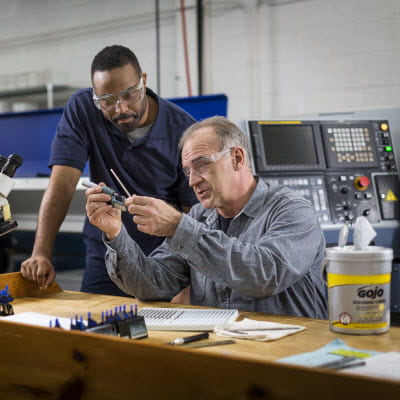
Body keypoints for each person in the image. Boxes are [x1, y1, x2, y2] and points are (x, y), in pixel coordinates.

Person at [85, 116, 327, 318]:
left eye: (201, 165)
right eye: (188, 171)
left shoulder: (292, 211)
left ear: (237, 158)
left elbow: (265, 275)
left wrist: (178, 227)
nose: (192, 181)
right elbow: (153, 285)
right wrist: (116, 233)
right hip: (221, 350)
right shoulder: (201, 216)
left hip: (293, 354)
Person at [20, 45, 198, 296]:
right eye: (107, 101)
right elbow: (62, 184)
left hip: (161, 264)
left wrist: (189, 282)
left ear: (143, 82)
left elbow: (194, 216)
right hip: (106, 258)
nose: (120, 108)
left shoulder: (183, 131)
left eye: (129, 95)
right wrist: (40, 253)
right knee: (95, 329)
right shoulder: (83, 108)